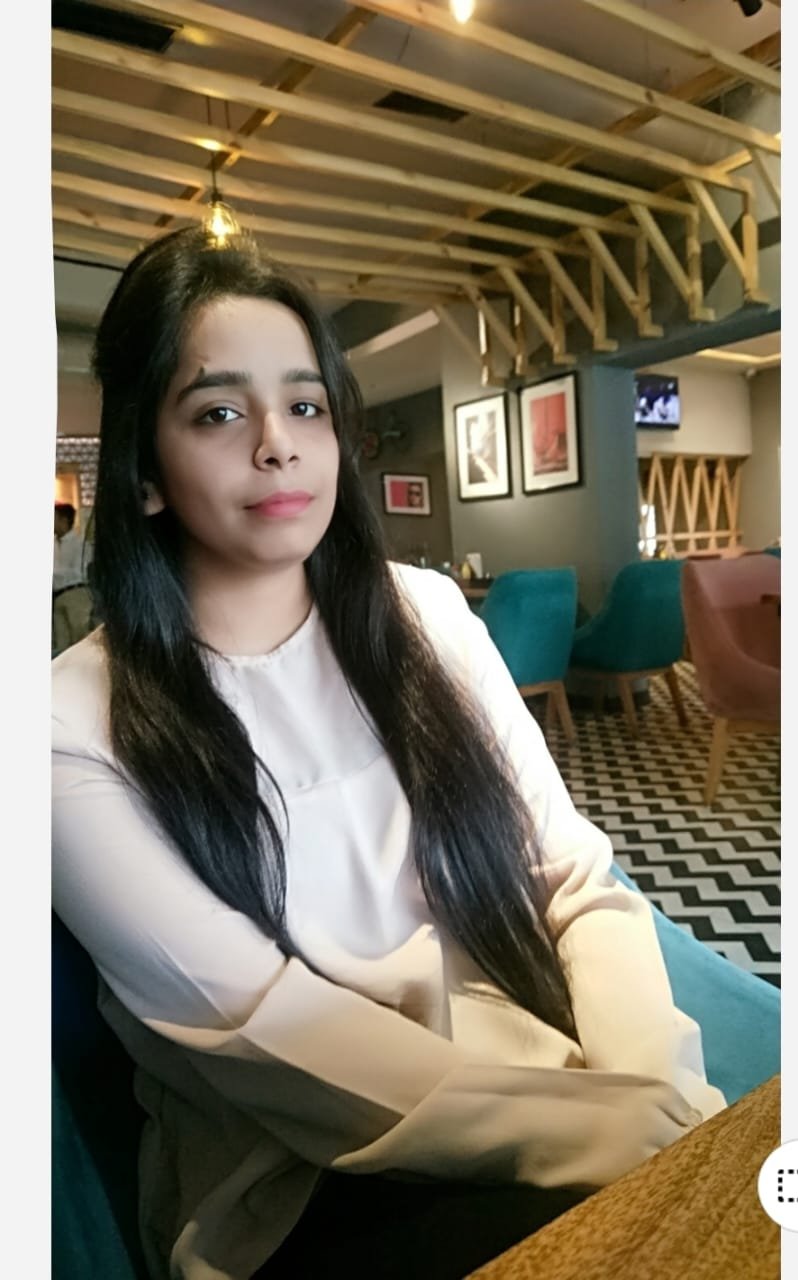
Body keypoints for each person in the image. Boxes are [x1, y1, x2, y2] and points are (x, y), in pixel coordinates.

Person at [52, 227, 725, 1280]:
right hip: (303, 1180)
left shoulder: (426, 614)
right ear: (144, 469)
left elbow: (572, 875)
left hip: (557, 1079)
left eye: (306, 405)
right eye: (219, 412)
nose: (277, 445)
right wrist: (615, 1135)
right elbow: (259, 1025)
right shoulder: (67, 723)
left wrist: (664, 1096)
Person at [52, 502, 93, 655]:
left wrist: (55, 573)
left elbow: (78, 571)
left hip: (76, 594)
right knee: (61, 646)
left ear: (64, 520)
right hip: (57, 596)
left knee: (80, 640)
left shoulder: (80, 544)